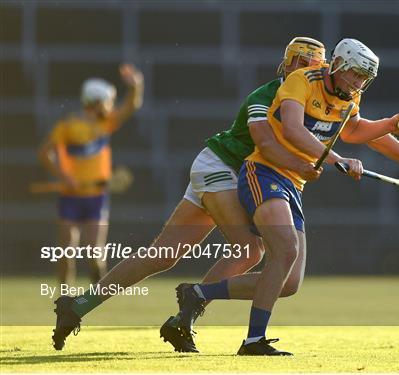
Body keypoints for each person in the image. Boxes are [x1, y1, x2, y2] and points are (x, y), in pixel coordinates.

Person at [175, 38, 399, 356]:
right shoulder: (302, 80)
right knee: (285, 249)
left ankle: (198, 293)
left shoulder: (350, 96)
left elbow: (355, 131)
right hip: (264, 172)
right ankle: (254, 341)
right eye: (356, 74)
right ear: (338, 65)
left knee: (289, 282)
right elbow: (292, 129)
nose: (359, 83)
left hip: (294, 183)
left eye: (365, 78)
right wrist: (338, 161)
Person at [51, 37, 326, 351]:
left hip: (228, 172)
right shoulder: (268, 95)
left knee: (162, 255)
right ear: (287, 62)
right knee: (251, 250)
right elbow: (266, 145)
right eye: (301, 63)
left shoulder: (309, 102)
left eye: (313, 67)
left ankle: (78, 305)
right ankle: (185, 318)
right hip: (222, 166)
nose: (306, 71)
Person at [38, 64, 144, 286]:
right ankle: (64, 299)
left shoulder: (105, 124)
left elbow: (132, 105)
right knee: (66, 254)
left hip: (96, 196)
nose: (110, 105)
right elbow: (45, 153)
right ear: (96, 102)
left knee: (95, 254)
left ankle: (96, 298)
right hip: (70, 196)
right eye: (107, 101)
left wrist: (136, 85)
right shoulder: (68, 125)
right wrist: (63, 176)